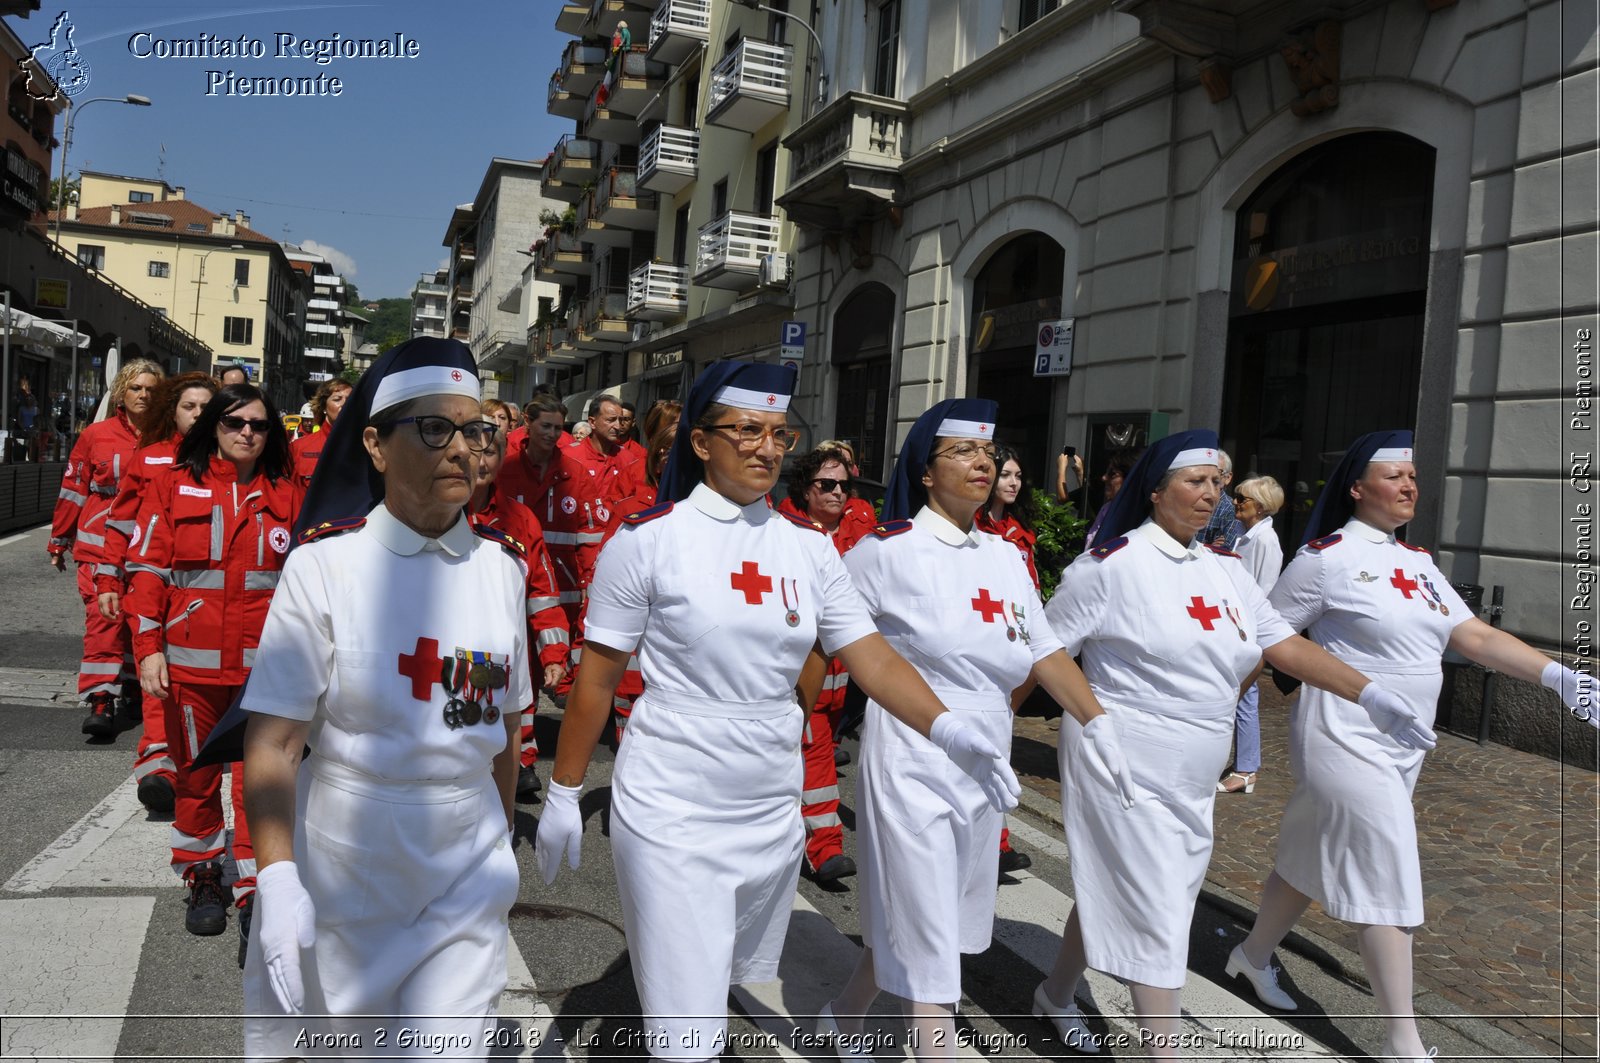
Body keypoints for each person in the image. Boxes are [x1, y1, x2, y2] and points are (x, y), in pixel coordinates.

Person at [535, 362, 1025, 1063]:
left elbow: (872, 656)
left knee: (714, 981)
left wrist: (948, 726)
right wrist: (563, 788)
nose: (768, 447)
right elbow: (596, 679)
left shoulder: (808, 546)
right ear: (701, 442)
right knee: (685, 1025)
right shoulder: (646, 540)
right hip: (673, 795)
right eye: (748, 431)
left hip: (767, 803)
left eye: (779, 433)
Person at [1034, 428, 1435, 1060]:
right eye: (1195, 482)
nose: (1210, 494)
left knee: (1135, 885)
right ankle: (1164, 1047)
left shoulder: (1226, 573)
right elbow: (1043, 648)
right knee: (1157, 900)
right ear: (1156, 489)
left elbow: (1284, 644)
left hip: (1196, 764)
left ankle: (1055, 993)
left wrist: (1371, 693)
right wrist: (1080, 717)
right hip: (1122, 754)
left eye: (1217, 483)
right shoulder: (1108, 566)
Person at [1229, 431, 1595, 1063]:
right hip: (1343, 732)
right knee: (1386, 866)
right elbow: (1266, 636)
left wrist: (1559, 676)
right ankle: (1405, 1044)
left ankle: (1249, 955)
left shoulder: (1419, 563)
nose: (1408, 486)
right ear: (1357, 488)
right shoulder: (1324, 558)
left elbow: (1473, 636)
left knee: (1310, 848)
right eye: (1394, 476)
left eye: (1413, 477)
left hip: (1407, 742)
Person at [239, 338, 530, 1058]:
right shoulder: (325, 566)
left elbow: (507, 728)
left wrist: (499, 839)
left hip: (465, 857)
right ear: (375, 443)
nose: (462, 448)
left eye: (475, 429)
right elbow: (275, 740)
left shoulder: (502, 568)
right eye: (435, 428)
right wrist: (275, 876)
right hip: (349, 851)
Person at [821, 400, 1135, 1060]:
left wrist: (1097, 720)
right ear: (925, 470)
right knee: (929, 927)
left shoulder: (1003, 556)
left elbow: (1044, 647)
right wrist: (794, 721)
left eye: (987, 453)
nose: (982, 463)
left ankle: (845, 1017)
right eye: (963, 451)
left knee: (928, 913)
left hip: (985, 753)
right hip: (912, 749)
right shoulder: (884, 552)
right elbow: (824, 641)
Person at [127, 382, 297, 951]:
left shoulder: (291, 494)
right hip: (193, 668)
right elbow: (147, 571)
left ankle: (256, 887)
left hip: (266, 672)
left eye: (258, 424)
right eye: (234, 422)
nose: (247, 432)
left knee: (262, 785)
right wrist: (148, 646)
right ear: (213, 430)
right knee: (195, 779)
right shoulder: (172, 486)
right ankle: (203, 877)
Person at [96, 371, 219, 812]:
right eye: (189, 406)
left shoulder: (231, 463)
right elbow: (120, 522)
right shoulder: (150, 460)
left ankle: (190, 760)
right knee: (155, 675)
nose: (198, 415)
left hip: (202, 600)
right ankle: (158, 769)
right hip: (149, 584)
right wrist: (109, 577)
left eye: (207, 407)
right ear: (173, 410)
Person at [49, 359, 165, 737]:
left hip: (148, 545)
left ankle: (132, 685)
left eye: (151, 389)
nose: (144, 395)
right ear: (121, 392)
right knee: (103, 621)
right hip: (98, 545)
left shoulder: (170, 437)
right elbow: (74, 488)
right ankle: (101, 698)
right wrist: (60, 537)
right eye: (136, 388)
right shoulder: (96, 435)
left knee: (142, 617)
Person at [498, 392, 607, 786]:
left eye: (558, 428)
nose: (552, 434)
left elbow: (591, 540)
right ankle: (522, 757)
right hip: (517, 583)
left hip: (562, 591)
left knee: (549, 669)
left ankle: (530, 755)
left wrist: (590, 587)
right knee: (518, 666)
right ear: (527, 423)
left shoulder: (574, 474)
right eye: (546, 426)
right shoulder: (505, 469)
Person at [780, 444, 875, 885]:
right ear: (805, 489)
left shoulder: (863, 528)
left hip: (848, 679)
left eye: (844, 484)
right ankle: (824, 849)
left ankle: (791, 832)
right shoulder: (784, 532)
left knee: (805, 760)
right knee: (815, 761)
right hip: (801, 672)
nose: (839, 493)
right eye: (827, 484)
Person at [466, 405, 571, 799]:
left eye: (490, 451)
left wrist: (555, 655)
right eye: (472, 449)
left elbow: (542, 595)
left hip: (507, 655)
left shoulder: (520, 518)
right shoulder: (433, 513)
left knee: (504, 759)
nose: (481, 459)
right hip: (446, 655)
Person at [974, 443, 1040, 874]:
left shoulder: (1019, 533)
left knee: (1001, 747)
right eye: (1006, 474)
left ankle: (997, 840)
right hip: (981, 646)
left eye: (1018, 475)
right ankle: (984, 841)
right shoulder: (975, 528)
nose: (1013, 482)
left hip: (1015, 644)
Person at [600, 413, 678, 745]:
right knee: (634, 735)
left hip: (685, 654)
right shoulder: (631, 512)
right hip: (636, 645)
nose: (670, 459)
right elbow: (607, 582)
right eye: (666, 452)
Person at [1216, 475, 1285, 794]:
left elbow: (1263, 586)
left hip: (1248, 625)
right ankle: (1241, 762)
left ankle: (1246, 768)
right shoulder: (1245, 534)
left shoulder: (1264, 540)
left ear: (1259, 506)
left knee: (1246, 696)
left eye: (1241, 498)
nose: (1235, 503)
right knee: (1238, 693)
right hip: (1235, 621)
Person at [288, 377, 352, 491]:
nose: (345, 404)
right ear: (324, 407)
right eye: (337, 399)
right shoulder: (298, 448)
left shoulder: (367, 447)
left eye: (350, 399)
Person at [567, 394, 634, 501]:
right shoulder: (569, 456)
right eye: (611, 420)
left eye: (620, 420)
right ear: (592, 422)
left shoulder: (628, 458)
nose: (618, 426)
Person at [1081, 446, 1139, 551]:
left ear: (1130, 478)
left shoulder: (1139, 518)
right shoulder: (1106, 509)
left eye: (1112, 474)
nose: (1104, 478)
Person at [1197, 449, 1241, 550]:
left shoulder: (1229, 508)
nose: (1210, 478)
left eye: (1218, 472)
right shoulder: (1192, 499)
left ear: (1228, 478)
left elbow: (1223, 547)